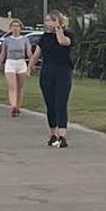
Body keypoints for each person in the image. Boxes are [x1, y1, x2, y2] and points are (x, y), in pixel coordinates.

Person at [28, 10, 75, 148]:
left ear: (58, 21)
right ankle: (53, 134)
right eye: (47, 20)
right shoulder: (45, 37)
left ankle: (62, 135)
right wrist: (30, 66)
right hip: (47, 72)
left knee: (61, 103)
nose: (48, 23)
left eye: (51, 20)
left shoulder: (68, 34)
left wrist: (58, 29)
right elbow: (37, 53)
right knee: (50, 104)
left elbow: (62, 42)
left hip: (63, 71)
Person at [0, 18, 32, 117]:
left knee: (20, 88)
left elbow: (29, 52)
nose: (15, 28)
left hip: (21, 63)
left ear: (20, 28)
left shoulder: (25, 39)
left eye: (17, 26)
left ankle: (18, 107)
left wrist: (31, 64)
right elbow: (3, 54)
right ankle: (13, 106)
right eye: (13, 26)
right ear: (10, 28)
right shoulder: (7, 40)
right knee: (12, 87)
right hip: (10, 62)